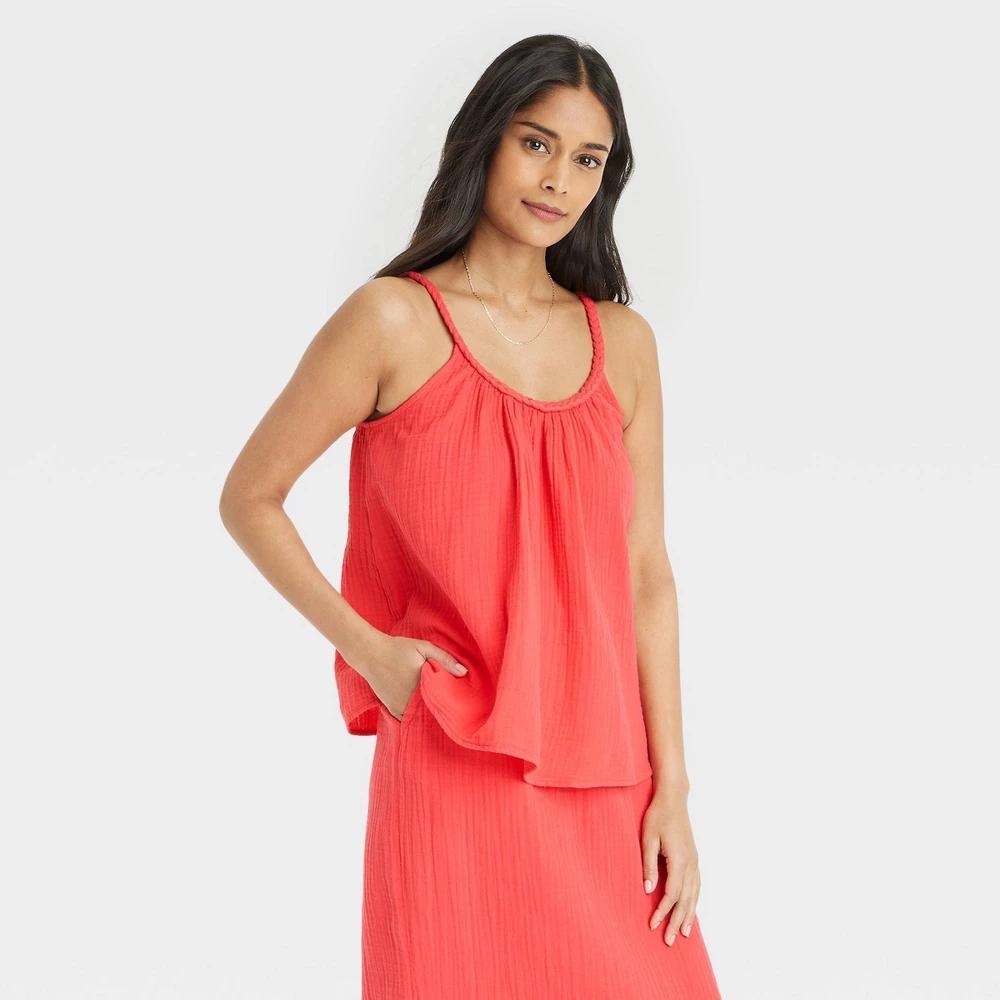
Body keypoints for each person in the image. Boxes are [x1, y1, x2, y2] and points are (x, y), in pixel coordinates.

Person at [220, 33, 723, 1000]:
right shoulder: (392, 320)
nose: (560, 180)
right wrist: (370, 651)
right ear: (484, 139)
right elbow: (250, 496)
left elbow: (646, 572)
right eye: (537, 144)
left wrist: (674, 788)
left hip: (608, 771)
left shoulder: (622, 342)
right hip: (453, 757)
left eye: (588, 159)